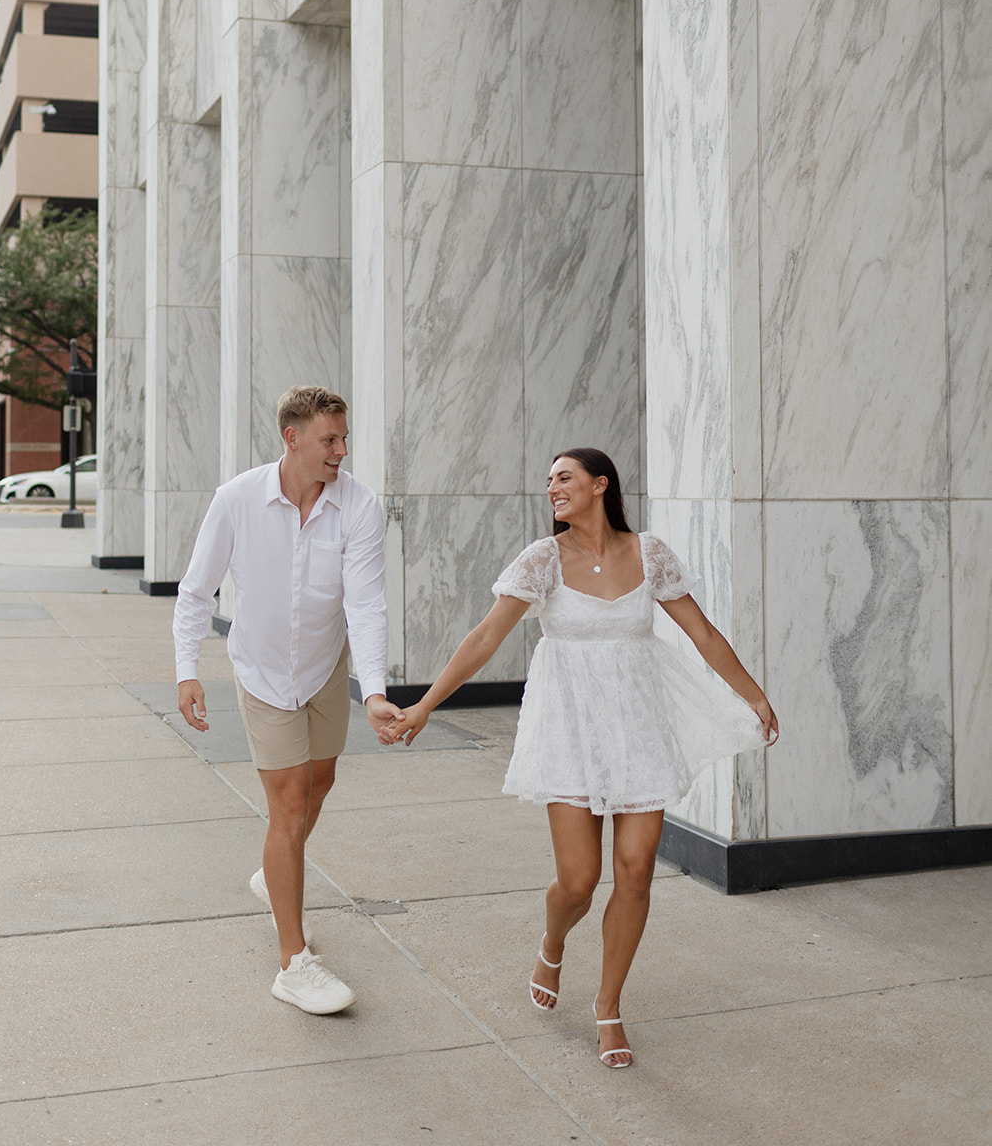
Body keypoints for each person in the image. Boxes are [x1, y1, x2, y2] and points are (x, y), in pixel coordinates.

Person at [380, 448, 778, 1068]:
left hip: (638, 727)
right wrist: (426, 705)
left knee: (637, 870)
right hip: (569, 728)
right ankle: (552, 941)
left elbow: (701, 632)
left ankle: (609, 1005)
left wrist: (752, 694)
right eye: (548, 482)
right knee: (579, 881)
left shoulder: (650, 554)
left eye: (563, 478)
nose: (552, 489)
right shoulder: (543, 560)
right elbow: (486, 636)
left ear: (600, 485)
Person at [174, 385, 406, 1015]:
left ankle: (274, 872)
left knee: (320, 782)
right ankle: (293, 963)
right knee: (288, 804)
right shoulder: (237, 499)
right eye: (330, 439)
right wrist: (186, 669)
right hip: (264, 672)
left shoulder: (358, 504)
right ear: (293, 437)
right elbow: (197, 590)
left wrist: (376, 691)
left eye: (344, 437)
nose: (342, 450)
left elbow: (365, 602)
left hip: (326, 668)